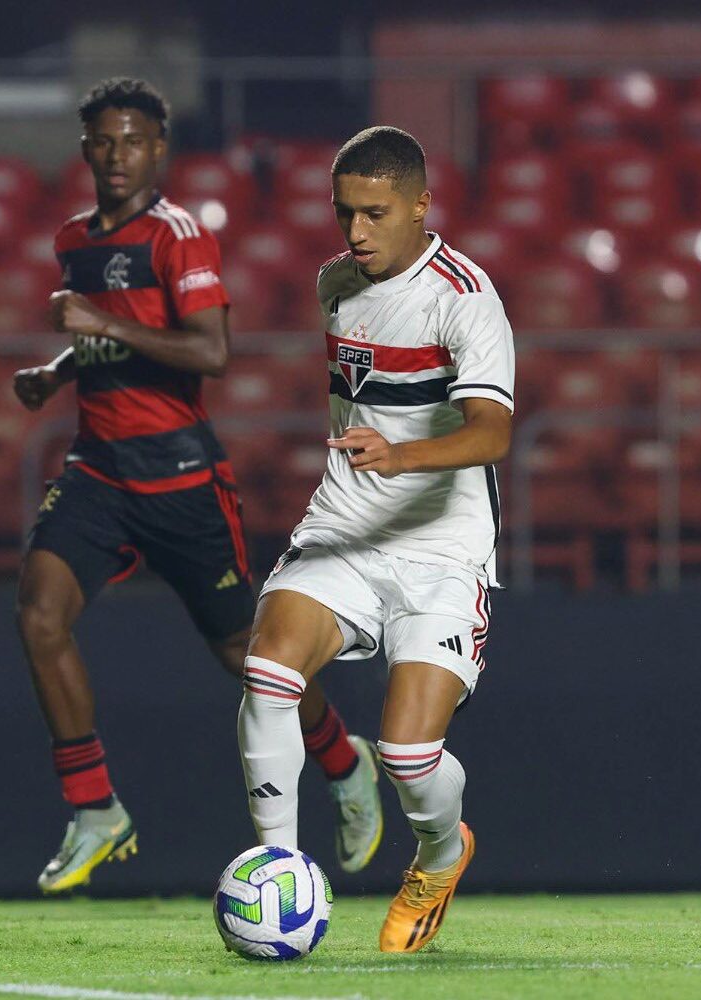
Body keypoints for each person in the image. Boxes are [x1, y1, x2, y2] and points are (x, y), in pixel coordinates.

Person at [13, 77, 382, 894]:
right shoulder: (74, 238)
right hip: (98, 470)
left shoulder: (179, 236)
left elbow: (209, 351)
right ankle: (94, 809)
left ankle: (344, 763)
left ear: (159, 150)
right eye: (103, 141)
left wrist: (97, 326)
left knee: (245, 658)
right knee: (39, 615)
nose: (117, 155)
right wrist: (58, 370)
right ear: (86, 150)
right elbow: (121, 338)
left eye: (133, 140)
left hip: (179, 476)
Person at [236, 126, 514, 953]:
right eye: (344, 212)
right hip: (344, 530)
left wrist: (403, 454)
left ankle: (439, 850)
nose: (355, 232)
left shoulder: (465, 296)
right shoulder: (336, 284)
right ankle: (276, 869)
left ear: (422, 206)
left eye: (376, 213)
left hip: (442, 550)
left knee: (407, 755)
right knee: (266, 664)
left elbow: (494, 432)